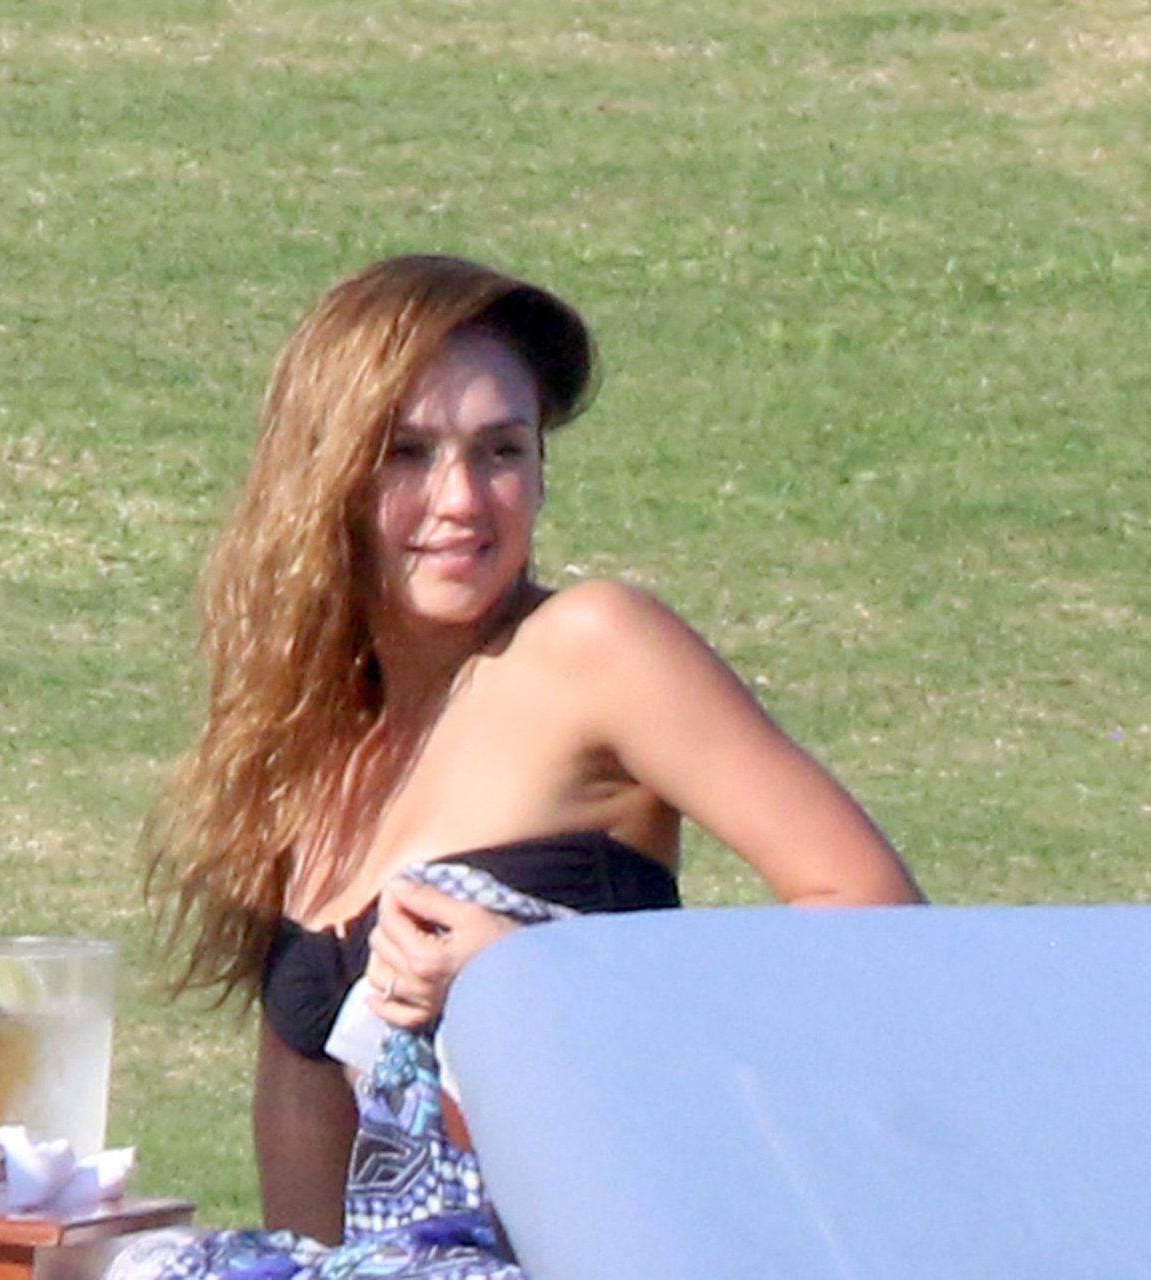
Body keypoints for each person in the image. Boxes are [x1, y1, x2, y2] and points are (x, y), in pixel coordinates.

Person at [144, 254, 923, 1274]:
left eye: (501, 450)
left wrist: (539, 980)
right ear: (322, 476)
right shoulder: (303, 735)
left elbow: (882, 924)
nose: (461, 499)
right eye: (407, 453)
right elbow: (312, 1193)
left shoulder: (594, 648)